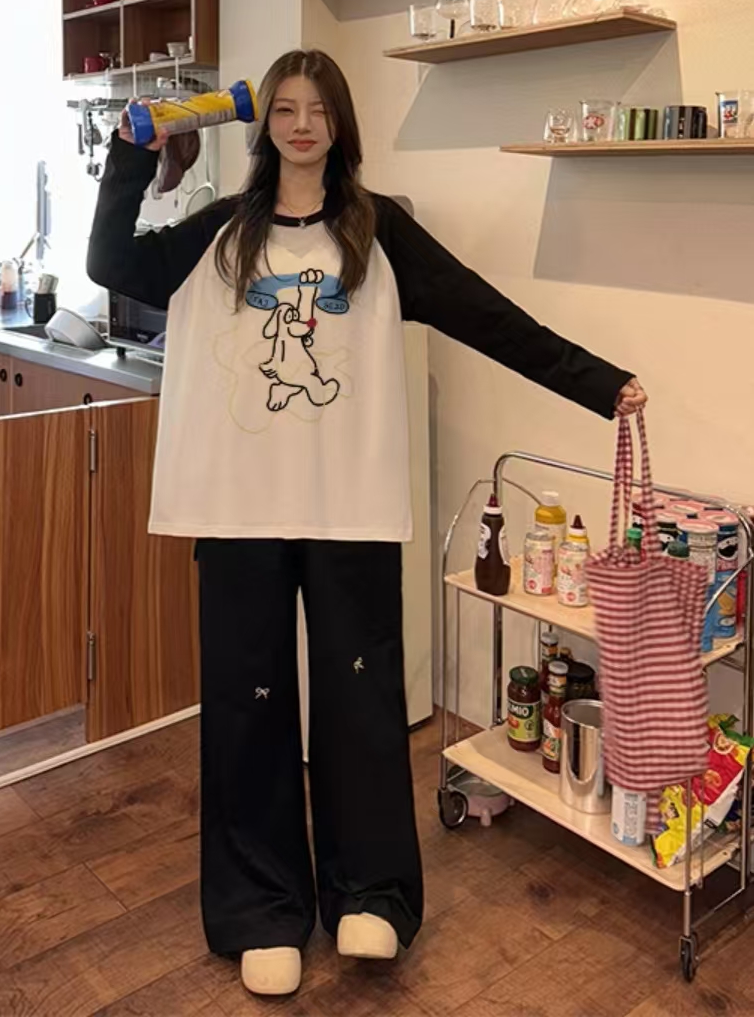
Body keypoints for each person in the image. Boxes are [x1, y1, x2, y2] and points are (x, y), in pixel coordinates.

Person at [87, 49, 647, 997]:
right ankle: (260, 909)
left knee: (362, 704)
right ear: (265, 125)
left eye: (319, 109)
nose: (302, 124)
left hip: (349, 504)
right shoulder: (222, 231)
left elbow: (487, 315)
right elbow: (113, 264)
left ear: (341, 124)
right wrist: (130, 156)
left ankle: (372, 895)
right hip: (239, 506)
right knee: (248, 703)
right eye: (285, 109)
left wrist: (599, 383)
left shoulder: (379, 231)